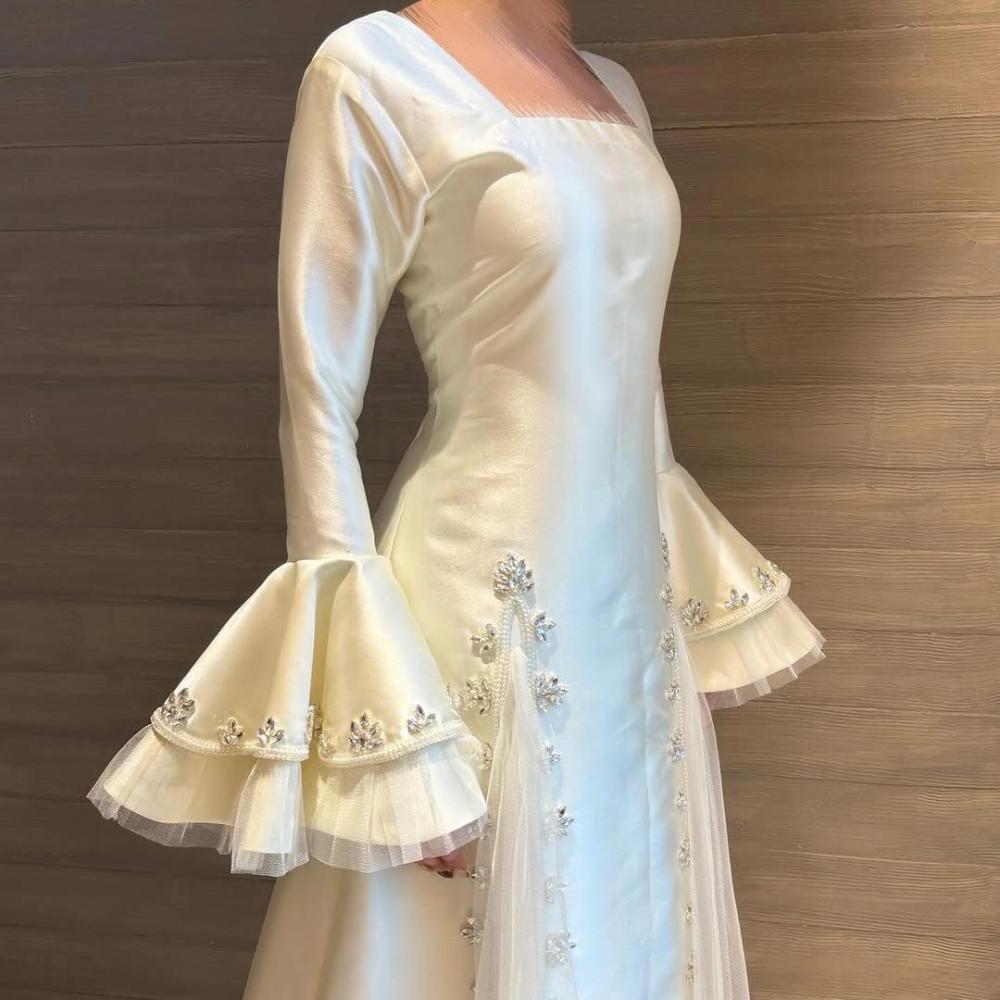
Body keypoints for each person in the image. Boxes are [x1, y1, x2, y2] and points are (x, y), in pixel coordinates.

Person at [87, 3, 827, 997]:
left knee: (625, 921)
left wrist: (679, 613)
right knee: (448, 945)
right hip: (476, 603)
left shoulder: (611, 86)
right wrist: (380, 697)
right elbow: (316, 393)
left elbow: (631, 369)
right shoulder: (373, 69)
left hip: (625, 622)